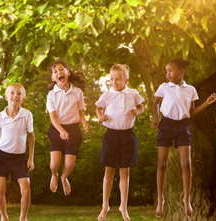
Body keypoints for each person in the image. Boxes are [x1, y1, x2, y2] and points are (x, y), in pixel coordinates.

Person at [152, 58, 216, 218]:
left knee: (186, 164)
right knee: (162, 164)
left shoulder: (191, 90)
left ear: (181, 72)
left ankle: (186, 199)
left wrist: (207, 103)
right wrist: (156, 119)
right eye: (166, 71)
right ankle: (161, 199)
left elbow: (191, 113)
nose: (167, 73)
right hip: (166, 125)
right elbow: (155, 104)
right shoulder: (164, 87)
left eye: (171, 71)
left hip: (183, 126)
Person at [95, 64, 144, 221]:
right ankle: (105, 205)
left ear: (126, 80)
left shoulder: (133, 93)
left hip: (127, 136)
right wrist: (100, 115)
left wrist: (137, 111)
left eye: (117, 79)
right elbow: (98, 108)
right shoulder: (107, 94)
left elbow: (141, 107)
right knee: (109, 172)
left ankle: (123, 206)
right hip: (111, 136)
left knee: (125, 172)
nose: (114, 82)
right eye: (111, 79)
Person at [0, 83, 35, 221]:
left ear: (23, 98)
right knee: (0, 190)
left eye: (19, 94)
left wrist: (30, 158)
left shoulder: (27, 115)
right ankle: (4, 217)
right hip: (1, 156)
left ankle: (23, 218)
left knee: (26, 190)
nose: (16, 95)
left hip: (20, 158)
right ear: (6, 96)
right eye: (12, 93)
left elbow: (31, 137)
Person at [46, 59, 89, 195]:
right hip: (57, 129)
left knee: (69, 164)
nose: (59, 72)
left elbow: (80, 112)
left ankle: (64, 177)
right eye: (55, 71)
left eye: (61, 69)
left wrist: (84, 123)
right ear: (53, 78)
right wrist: (61, 131)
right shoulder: (51, 95)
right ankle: (55, 175)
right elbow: (53, 117)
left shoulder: (77, 92)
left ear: (67, 72)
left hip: (74, 131)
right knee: (54, 164)